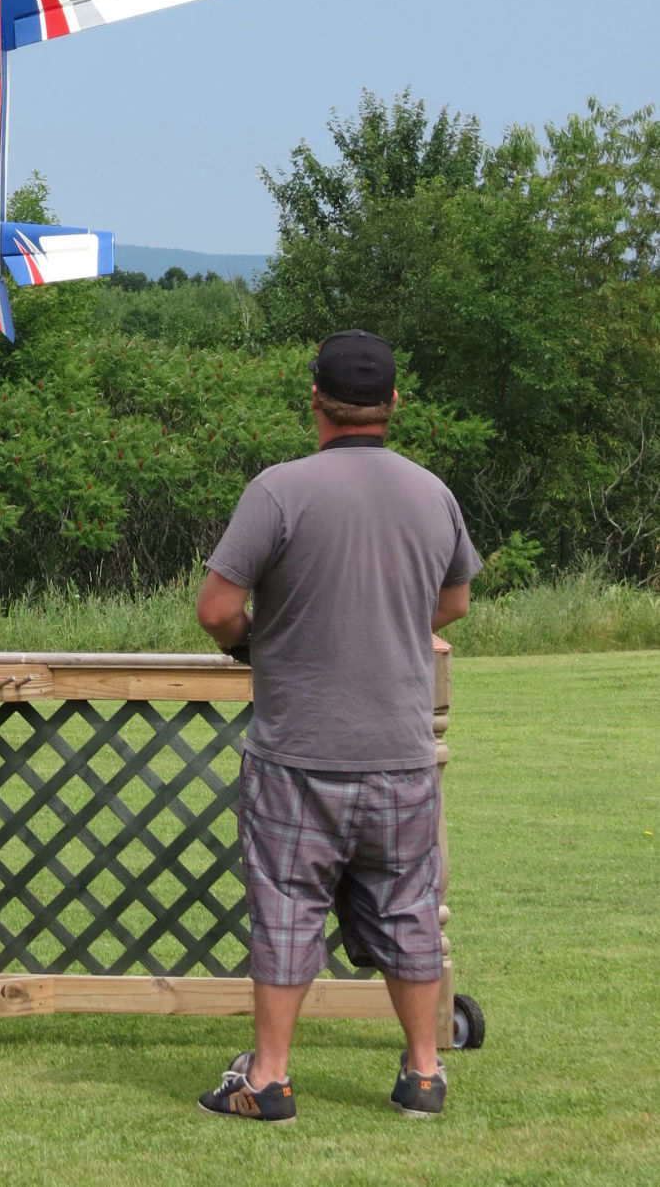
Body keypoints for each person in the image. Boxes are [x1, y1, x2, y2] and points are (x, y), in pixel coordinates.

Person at [195, 329, 480, 1124]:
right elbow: (453, 604)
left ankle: (270, 1080)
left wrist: (254, 643)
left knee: (285, 909)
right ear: (393, 403)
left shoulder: (278, 491)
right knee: (407, 907)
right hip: (399, 751)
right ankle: (424, 1074)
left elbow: (216, 609)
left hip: (298, 753)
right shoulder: (431, 493)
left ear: (313, 397)